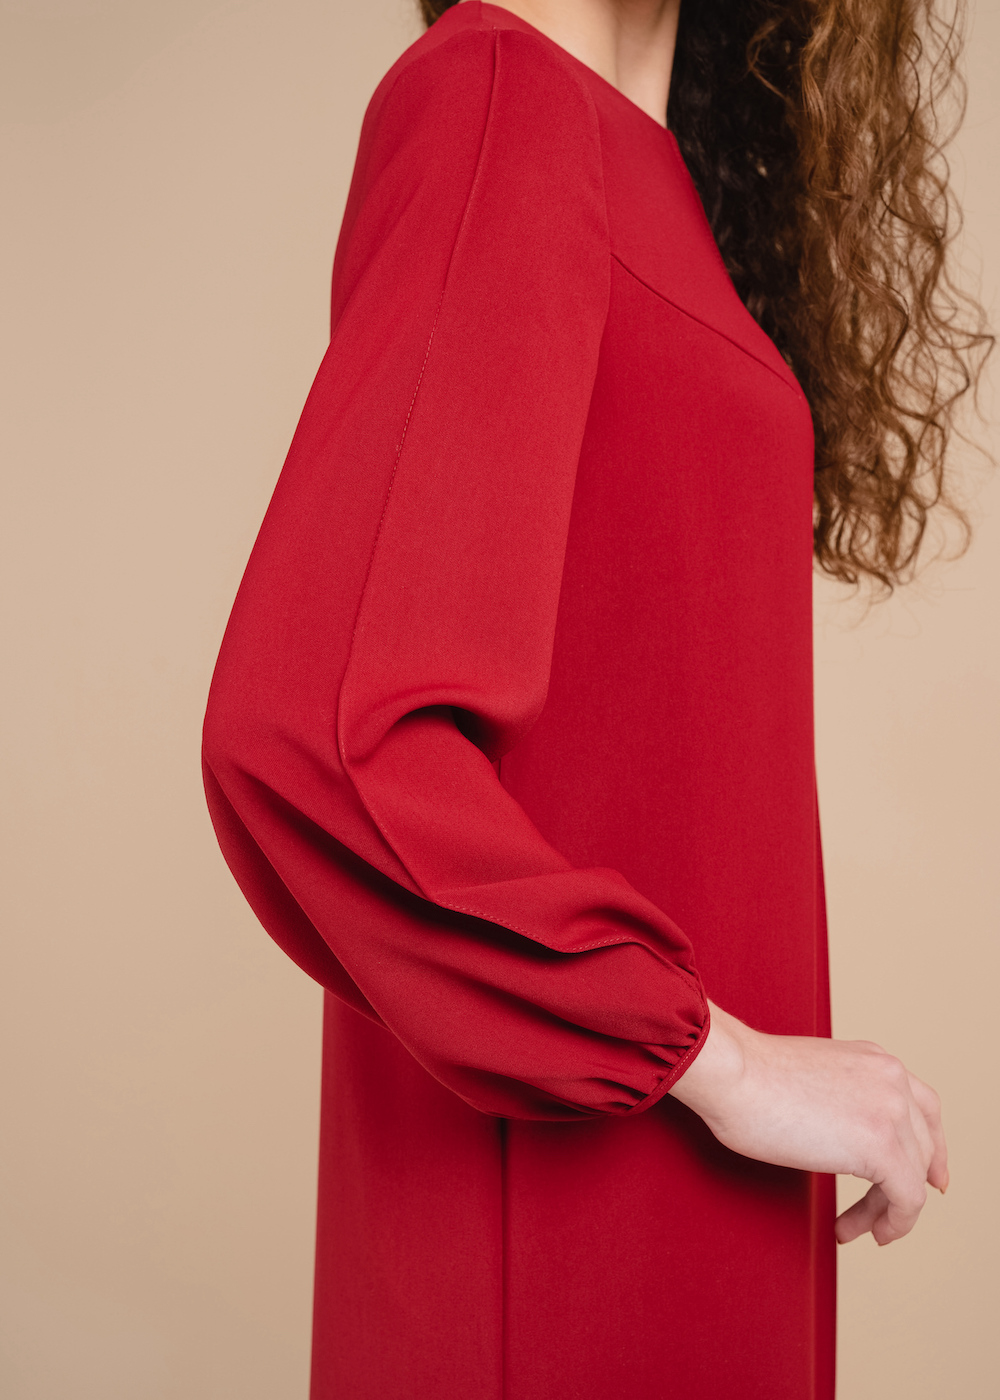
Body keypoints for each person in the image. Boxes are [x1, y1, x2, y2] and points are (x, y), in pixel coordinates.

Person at [201, 2, 990, 1396]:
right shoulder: (496, 97)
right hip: (572, 1234)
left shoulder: (636, 166)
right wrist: (723, 1063)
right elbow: (321, 735)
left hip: (684, 1211)